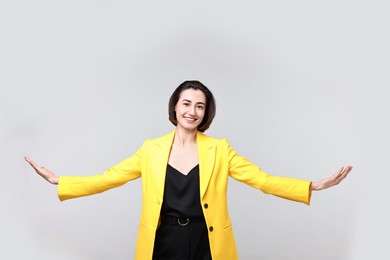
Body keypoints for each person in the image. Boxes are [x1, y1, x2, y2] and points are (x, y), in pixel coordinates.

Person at [25, 80, 352, 260]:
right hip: (163, 240)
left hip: (206, 241)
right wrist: (60, 181)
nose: (192, 111)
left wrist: (313, 186)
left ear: (206, 113)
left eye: (200, 105)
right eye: (186, 103)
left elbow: (262, 180)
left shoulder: (220, 149)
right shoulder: (150, 149)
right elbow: (109, 178)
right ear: (175, 106)